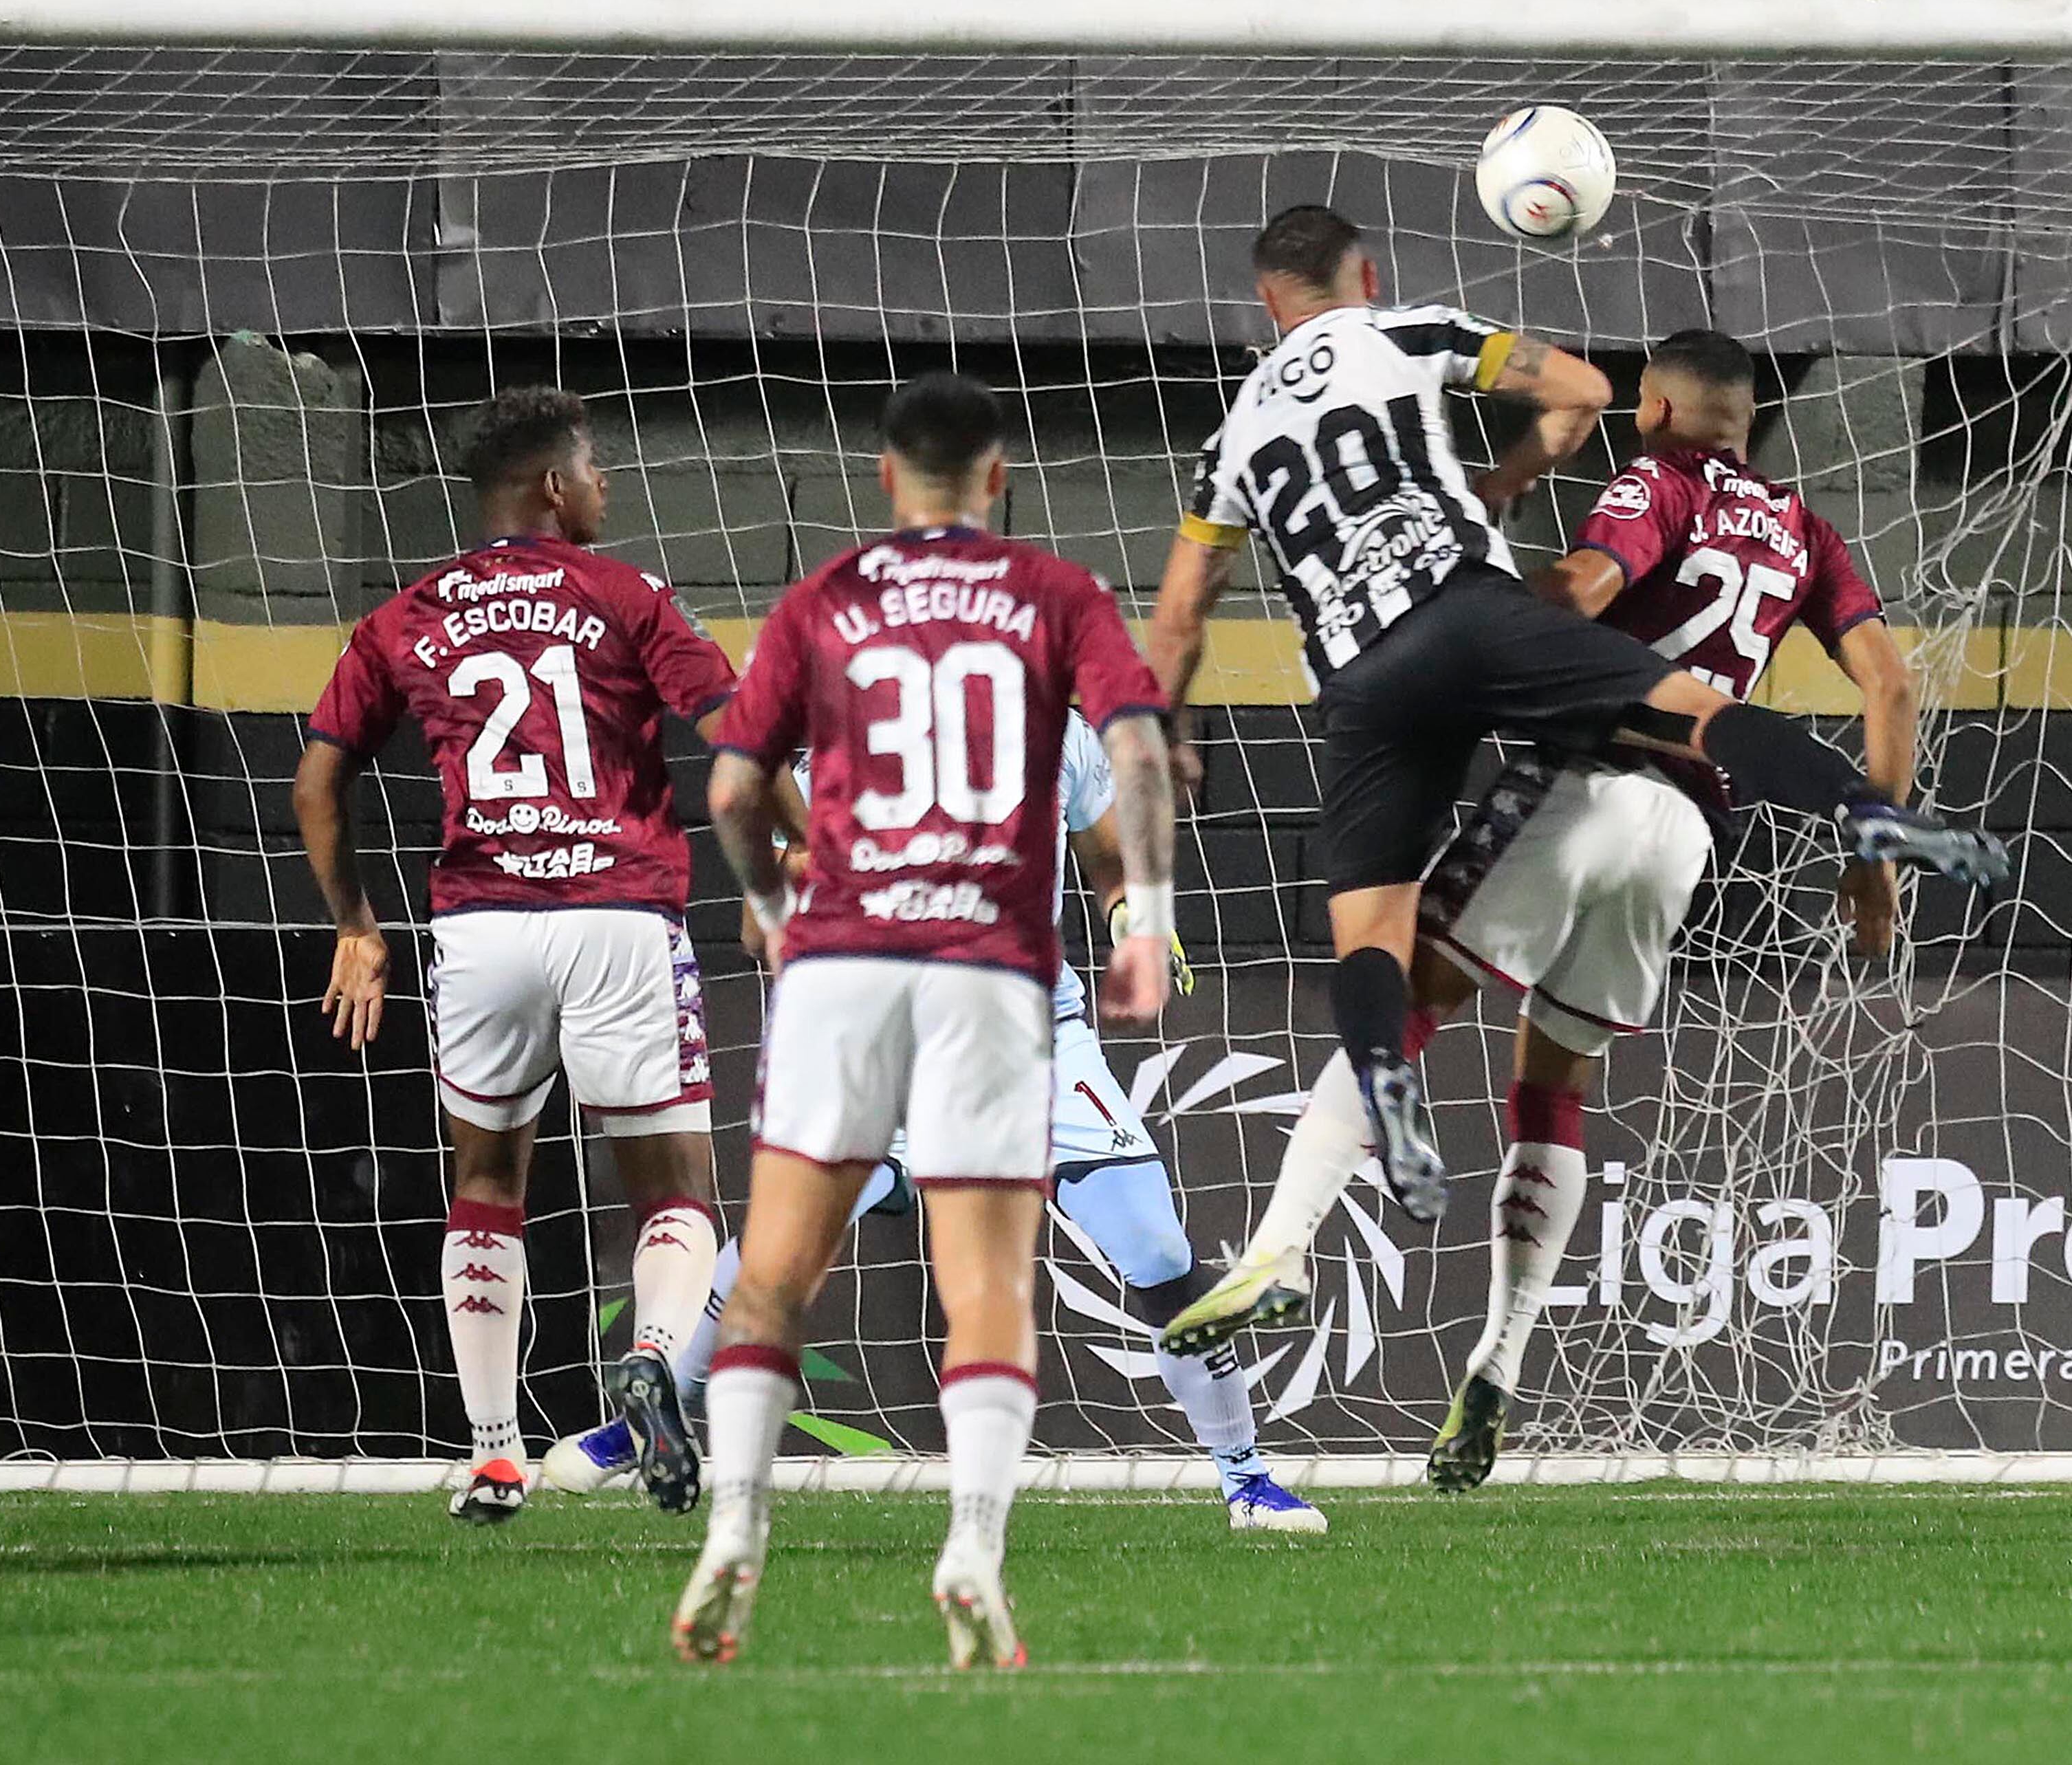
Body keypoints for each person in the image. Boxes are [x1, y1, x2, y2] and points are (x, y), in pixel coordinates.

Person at [1143, 206, 2005, 1357]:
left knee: (1379, 955)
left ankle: (1292, 1236)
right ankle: (1868, 813)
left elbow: (1178, 617)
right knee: (1697, 724)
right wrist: (1503, 483)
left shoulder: (1235, 437)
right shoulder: (1801, 524)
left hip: (1371, 680)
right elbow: (1585, 393)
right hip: (1635, 784)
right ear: (1370, 273)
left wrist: (1167, 732)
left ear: (1266, 304)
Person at [673, 371, 1177, 1672]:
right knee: (991, 1283)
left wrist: (774, 904)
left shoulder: (824, 598)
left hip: (841, 960)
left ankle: (734, 1524)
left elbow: (734, 782)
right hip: (987, 970)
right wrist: (1150, 921)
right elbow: (1137, 750)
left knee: (778, 1269)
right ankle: (971, 1545)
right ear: (997, 477)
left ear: (888, 481)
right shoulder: (1056, 596)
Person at [546, 710, 1324, 1533]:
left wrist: (1133, 917)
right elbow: (753, 927)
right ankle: (640, 1423)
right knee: (782, 1249)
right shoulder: (851, 737)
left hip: (1036, 1039)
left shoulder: (1055, 729)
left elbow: (1107, 863)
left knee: (1161, 1250)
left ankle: (1247, 1482)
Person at [1409, 327, 1917, 1487]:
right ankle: (1500, 1357)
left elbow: (1585, 589)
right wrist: (1873, 846)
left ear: (1655, 409)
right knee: (1556, 1080)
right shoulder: (1805, 531)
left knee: (1406, 992)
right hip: (1687, 832)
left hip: (1583, 779)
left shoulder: (1656, 481)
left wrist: (1474, 620)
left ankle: (1278, 1255)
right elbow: (1889, 682)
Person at [295, 385, 778, 1524]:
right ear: (557, 487)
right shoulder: (627, 595)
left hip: (480, 930)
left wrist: (356, 925)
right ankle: (656, 1355)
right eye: (599, 468)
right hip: (619, 919)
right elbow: (743, 738)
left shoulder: (407, 615)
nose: (608, 486)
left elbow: (318, 781)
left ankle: (496, 1452)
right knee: (673, 1189)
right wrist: (779, 878)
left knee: (487, 1183)